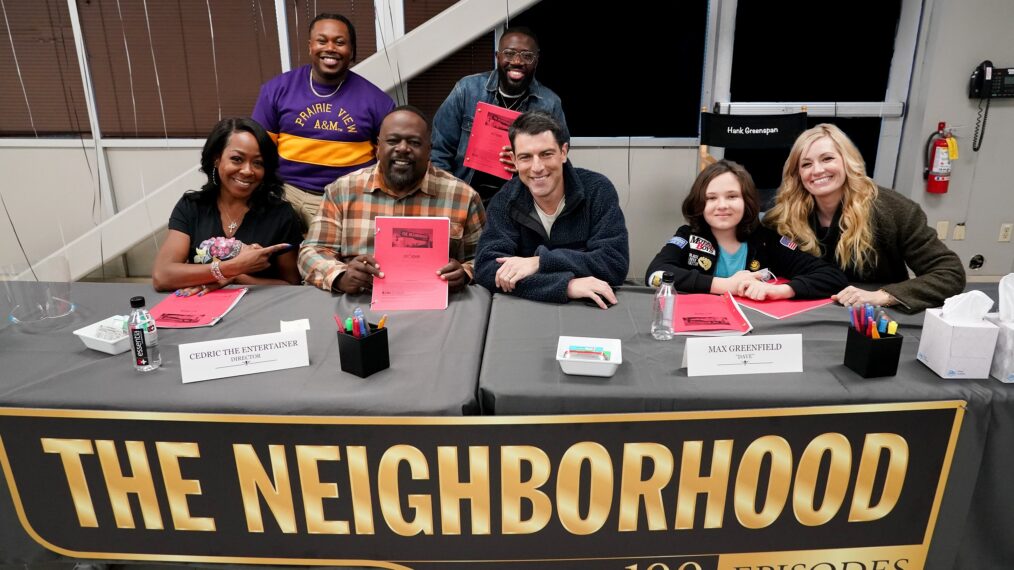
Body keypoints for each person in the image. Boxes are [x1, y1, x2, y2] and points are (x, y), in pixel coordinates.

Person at [764, 123, 965, 312]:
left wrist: (882, 296)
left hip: (875, 316)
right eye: (806, 164)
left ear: (847, 161)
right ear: (797, 174)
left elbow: (949, 274)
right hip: (803, 313)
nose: (817, 170)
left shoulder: (894, 210)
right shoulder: (782, 216)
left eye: (827, 159)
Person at [299, 106, 485, 294]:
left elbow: (482, 258)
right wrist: (340, 276)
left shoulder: (462, 196)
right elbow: (311, 252)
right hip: (359, 304)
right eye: (393, 141)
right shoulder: (343, 191)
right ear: (378, 147)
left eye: (414, 142)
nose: (403, 148)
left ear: (430, 150)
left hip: (435, 305)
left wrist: (465, 273)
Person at [252, 13, 395, 229]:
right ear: (310, 46)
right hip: (284, 193)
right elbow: (258, 150)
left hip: (345, 200)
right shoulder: (277, 90)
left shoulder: (377, 102)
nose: (330, 48)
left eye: (340, 42)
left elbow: (388, 162)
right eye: (322, 41)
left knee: (333, 262)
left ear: (352, 51)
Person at [475, 112, 628, 309]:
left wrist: (539, 262)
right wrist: (566, 286)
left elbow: (613, 264)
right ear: (513, 160)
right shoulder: (504, 201)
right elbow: (487, 270)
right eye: (525, 157)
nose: (537, 167)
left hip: (589, 309)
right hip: (526, 310)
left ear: (563, 152)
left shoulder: (598, 190)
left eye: (546, 154)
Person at [644, 160, 847, 300]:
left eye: (732, 196)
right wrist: (724, 286)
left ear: (747, 201)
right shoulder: (688, 236)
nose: (722, 205)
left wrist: (782, 291)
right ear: (698, 204)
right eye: (711, 198)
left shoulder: (768, 240)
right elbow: (655, 275)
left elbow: (832, 276)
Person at [153, 117, 301, 294]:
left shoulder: (280, 214)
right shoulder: (192, 207)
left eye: (258, 163)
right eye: (237, 159)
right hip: (198, 310)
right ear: (217, 159)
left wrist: (236, 277)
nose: (247, 170)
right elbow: (162, 276)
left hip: (257, 311)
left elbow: (292, 286)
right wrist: (233, 267)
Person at [431, 27, 568, 204]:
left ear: (536, 61)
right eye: (509, 53)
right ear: (497, 57)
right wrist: (448, 199)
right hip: (466, 199)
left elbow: (558, 160)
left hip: (520, 202)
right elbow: (440, 152)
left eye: (527, 56)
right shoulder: (467, 90)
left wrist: (525, 163)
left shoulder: (549, 103)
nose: (517, 61)